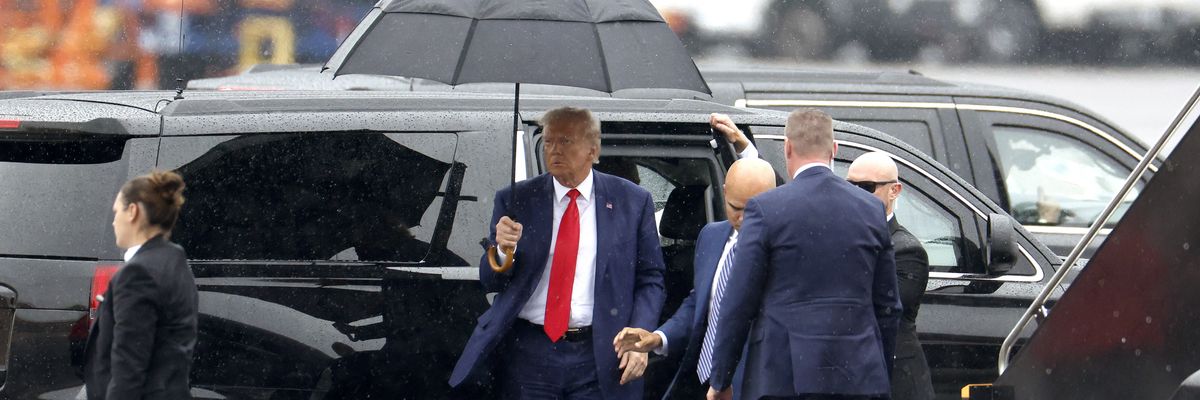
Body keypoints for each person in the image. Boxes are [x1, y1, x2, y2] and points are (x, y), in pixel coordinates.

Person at [449, 107, 666, 400]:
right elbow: (492, 282)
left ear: (593, 148)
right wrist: (502, 249)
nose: (554, 150)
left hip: (599, 350)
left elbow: (650, 277)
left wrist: (639, 335)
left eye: (565, 141)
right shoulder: (517, 199)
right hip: (529, 352)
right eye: (549, 141)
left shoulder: (631, 201)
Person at [706, 109, 902, 400]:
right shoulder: (870, 210)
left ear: (787, 147)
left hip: (783, 375)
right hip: (858, 376)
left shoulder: (766, 209)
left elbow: (738, 302)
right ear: (834, 149)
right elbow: (888, 305)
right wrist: (877, 368)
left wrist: (721, 379)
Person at [610, 113, 773, 400]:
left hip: (748, 385)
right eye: (736, 208)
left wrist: (748, 151)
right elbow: (700, 304)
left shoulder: (785, 246)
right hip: (697, 381)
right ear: (724, 194)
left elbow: (805, 198)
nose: (744, 220)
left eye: (755, 209)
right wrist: (657, 338)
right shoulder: (711, 237)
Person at [84, 170, 198, 400]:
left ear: (133, 212)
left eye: (117, 212)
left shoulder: (138, 273)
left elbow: (129, 368)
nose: (114, 220)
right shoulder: (175, 261)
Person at [847, 152, 934, 400]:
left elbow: (879, 309)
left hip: (895, 378)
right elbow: (792, 207)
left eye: (866, 187)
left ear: (894, 190)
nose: (855, 193)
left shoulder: (907, 249)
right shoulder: (838, 233)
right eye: (849, 186)